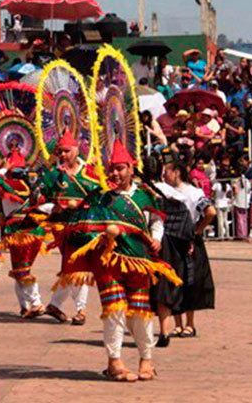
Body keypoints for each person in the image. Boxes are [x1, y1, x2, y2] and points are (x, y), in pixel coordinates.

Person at [66, 140, 177, 382]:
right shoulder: (100, 198)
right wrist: (101, 236)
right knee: (114, 310)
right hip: (108, 263)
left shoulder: (145, 196)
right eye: (112, 169)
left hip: (138, 261)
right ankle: (114, 361)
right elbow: (83, 228)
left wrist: (156, 239)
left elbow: (157, 221)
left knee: (140, 311)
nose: (115, 173)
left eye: (120, 168)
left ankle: (146, 359)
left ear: (131, 168)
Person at [152, 160, 216, 345]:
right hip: (171, 240)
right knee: (173, 279)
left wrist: (196, 230)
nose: (164, 175)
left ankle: (189, 323)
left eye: (168, 171)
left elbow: (210, 212)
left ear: (177, 172)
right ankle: (177, 323)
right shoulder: (165, 191)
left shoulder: (193, 193)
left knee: (189, 280)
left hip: (188, 239)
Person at [41, 131, 99, 326]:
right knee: (77, 266)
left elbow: (101, 198)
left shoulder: (90, 173)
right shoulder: (53, 175)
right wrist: (55, 207)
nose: (63, 155)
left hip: (84, 226)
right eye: (60, 152)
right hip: (62, 228)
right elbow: (41, 200)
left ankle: (55, 304)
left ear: (76, 151)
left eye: (66, 151)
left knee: (73, 266)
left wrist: (82, 205)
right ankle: (80, 309)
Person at [0, 150, 51, 318]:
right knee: (19, 271)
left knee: (22, 271)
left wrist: (2, 168)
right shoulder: (32, 185)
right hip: (29, 233)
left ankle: (36, 304)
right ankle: (24, 306)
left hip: (23, 235)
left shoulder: (14, 185)